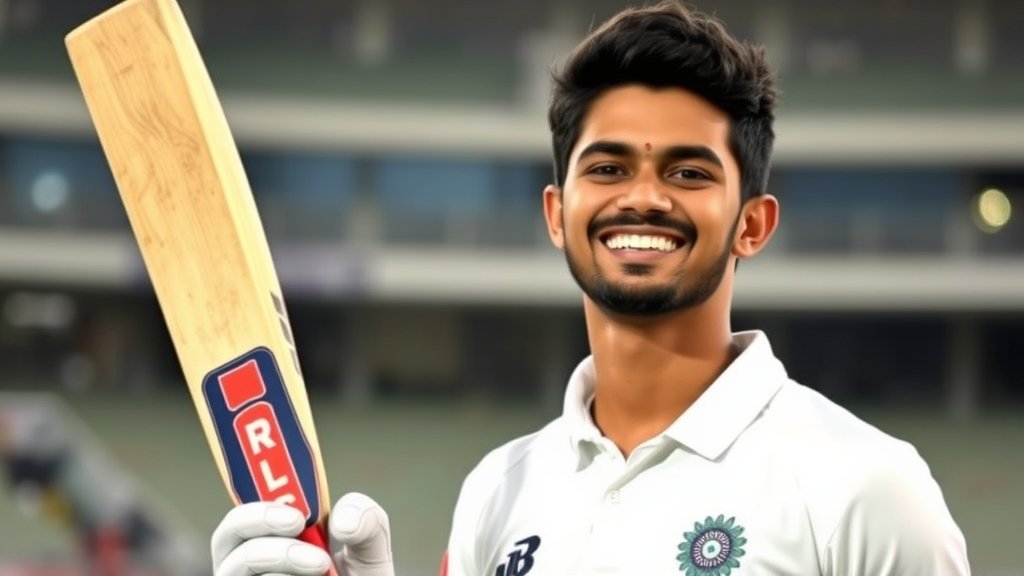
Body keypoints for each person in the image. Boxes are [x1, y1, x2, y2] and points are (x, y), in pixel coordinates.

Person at [210, 2, 971, 575]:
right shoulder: (497, 489)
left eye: (688, 172)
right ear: (556, 213)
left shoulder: (865, 487)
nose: (643, 197)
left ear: (752, 224)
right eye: (608, 168)